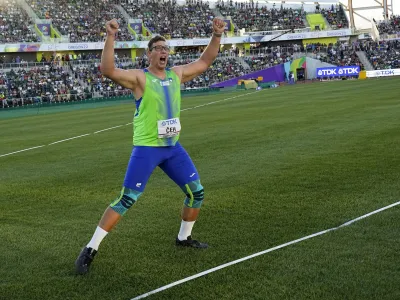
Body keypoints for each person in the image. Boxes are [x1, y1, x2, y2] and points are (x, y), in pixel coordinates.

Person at [75, 17, 226, 275]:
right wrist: (110, 36)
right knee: (127, 199)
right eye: (158, 48)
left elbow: (204, 61)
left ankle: (183, 238)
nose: (164, 52)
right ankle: (90, 249)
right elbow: (108, 70)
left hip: (172, 148)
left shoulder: (176, 75)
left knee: (196, 193)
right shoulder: (140, 78)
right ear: (149, 54)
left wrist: (216, 35)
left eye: (166, 48)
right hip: (147, 149)